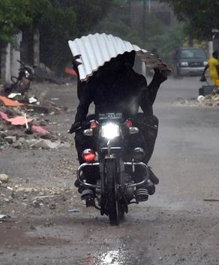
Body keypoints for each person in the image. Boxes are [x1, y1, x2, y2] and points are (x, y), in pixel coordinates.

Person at [69, 52, 167, 204]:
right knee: (82, 136)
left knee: (144, 135)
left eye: (125, 59)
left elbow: (146, 104)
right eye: (118, 59)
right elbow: (83, 102)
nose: (121, 63)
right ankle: (87, 177)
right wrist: (78, 122)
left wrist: (157, 80)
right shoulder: (95, 79)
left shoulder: (136, 80)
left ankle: (141, 172)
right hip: (100, 121)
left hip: (129, 121)